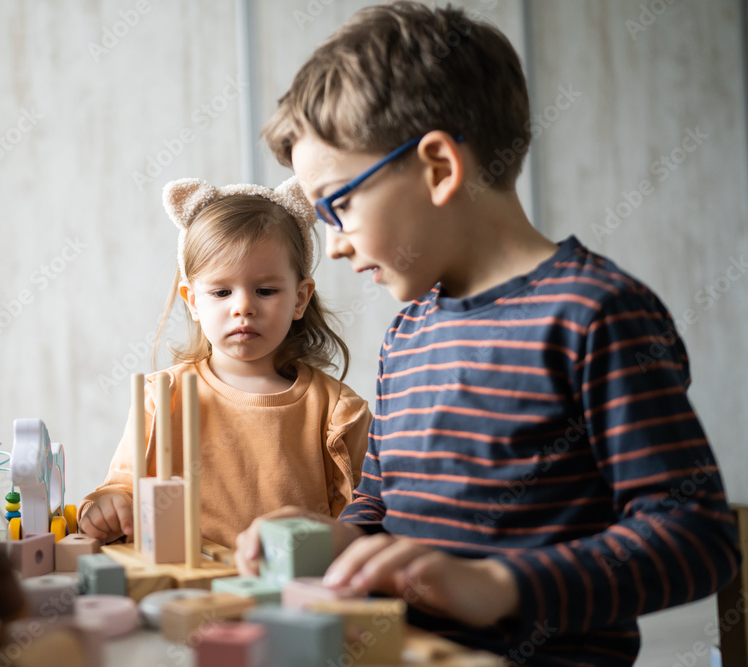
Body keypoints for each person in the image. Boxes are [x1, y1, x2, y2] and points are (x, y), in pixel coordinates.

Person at [233, 3, 740, 665]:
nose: (330, 246)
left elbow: (697, 539)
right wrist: (333, 539)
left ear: (440, 167)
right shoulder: (406, 334)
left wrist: (498, 584)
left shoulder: (595, 315)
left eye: (339, 204)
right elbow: (379, 505)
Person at [78, 176, 371, 549]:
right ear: (193, 301)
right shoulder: (164, 397)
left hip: (292, 595)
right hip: (186, 591)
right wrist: (108, 506)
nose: (243, 307)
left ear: (300, 299)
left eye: (265, 291)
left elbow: (363, 519)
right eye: (221, 292)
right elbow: (123, 487)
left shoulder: (337, 412)